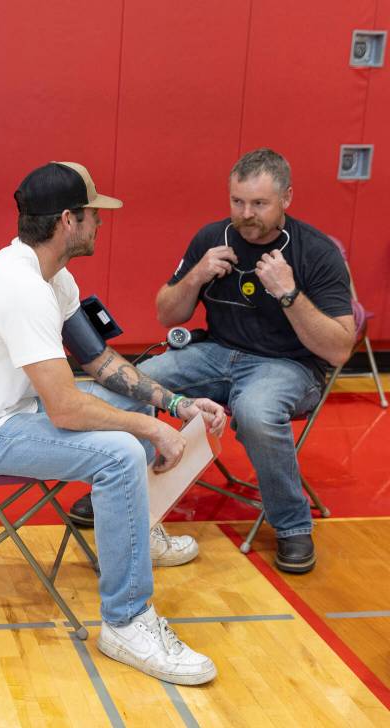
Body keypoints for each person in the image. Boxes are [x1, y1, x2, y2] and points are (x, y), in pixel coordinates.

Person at [0, 161, 227, 685]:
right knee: (121, 453)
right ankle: (127, 622)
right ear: (69, 220)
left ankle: (138, 534)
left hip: (12, 408)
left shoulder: (52, 276)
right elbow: (65, 408)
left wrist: (174, 405)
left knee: (135, 410)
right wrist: (153, 432)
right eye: (94, 214)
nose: (101, 222)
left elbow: (99, 363)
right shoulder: (18, 288)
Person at [68, 149, 354, 574]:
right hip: (216, 353)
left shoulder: (316, 252)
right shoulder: (212, 238)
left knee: (257, 412)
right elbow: (167, 313)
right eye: (238, 201)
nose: (246, 214)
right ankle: (120, 489)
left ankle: (293, 525)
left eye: (259, 204)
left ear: (287, 198)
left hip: (288, 366)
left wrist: (288, 293)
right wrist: (197, 273)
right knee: (131, 380)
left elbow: (338, 349)